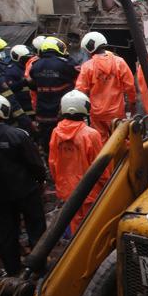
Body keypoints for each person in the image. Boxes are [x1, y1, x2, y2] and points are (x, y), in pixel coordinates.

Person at [0, 93, 47, 276]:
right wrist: (41, 180)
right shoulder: (17, 135)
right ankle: (40, 267)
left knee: (6, 232)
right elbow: (35, 163)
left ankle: (12, 269)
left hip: (0, 195)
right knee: (36, 228)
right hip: (26, 190)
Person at [49, 90, 105, 234]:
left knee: (74, 226)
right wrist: (107, 184)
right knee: (90, 228)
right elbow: (101, 165)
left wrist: (59, 183)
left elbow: (53, 162)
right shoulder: (91, 134)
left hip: (67, 189)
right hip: (89, 190)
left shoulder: (56, 132)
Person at [75, 31, 137, 142]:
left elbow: (80, 91)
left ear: (90, 48)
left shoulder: (87, 66)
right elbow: (130, 86)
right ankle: (121, 159)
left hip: (97, 113)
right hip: (117, 112)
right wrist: (132, 105)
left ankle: (107, 160)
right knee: (120, 141)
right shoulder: (119, 62)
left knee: (101, 142)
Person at [30, 36, 79, 153]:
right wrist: (67, 57)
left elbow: (32, 84)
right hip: (60, 109)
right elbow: (76, 71)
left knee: (46, 139)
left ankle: (49, 160)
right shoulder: (65, 64)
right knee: (63, 137)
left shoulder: (35, 65)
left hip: (42, 110)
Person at [7, 44, 35, 127]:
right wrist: (25, 81)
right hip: (21, 108)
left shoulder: (32, 67)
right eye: (26, 58)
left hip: (33, 106)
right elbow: (10, 88)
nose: (29, 60)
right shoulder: (11, 71)